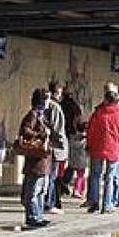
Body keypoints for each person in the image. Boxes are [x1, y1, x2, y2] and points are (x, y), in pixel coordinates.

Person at [86, 82, 119, 214]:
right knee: (110, 177)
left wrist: (89, 146)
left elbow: (90, 131)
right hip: (115, 149)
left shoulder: (98, 114)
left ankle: (94, 203)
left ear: (105, 100)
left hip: (97, 148)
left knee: (95, 176)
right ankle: (107, 205)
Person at [18, 89, 53, 229]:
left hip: (42, 159)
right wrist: (42, 134)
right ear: (42, 100)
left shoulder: (41, 115)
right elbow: (24, 131)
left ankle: (38, 215)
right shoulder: (33, 115)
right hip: (36, 159)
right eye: (47, 99)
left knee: (39, 190)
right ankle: (33, 217)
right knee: (33, 189)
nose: (49, 102)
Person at [44, 81, 68, 215]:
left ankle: (45, 202)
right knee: (53, 177)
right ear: (54, 93)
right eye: (59, 93)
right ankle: (49, 203)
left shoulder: (45, 105)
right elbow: (58, 129)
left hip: (46, 147)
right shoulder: (55, 107)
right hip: (55, 148)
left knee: (47, 176)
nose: (61, 96)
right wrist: (63, 147)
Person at [60, 89, 87, 198]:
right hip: (72, 136)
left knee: (68, 166)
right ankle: (78, 190)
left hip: (66, 137)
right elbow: (77, 118)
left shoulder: (60, 105)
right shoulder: (75, 107)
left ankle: (63, 183)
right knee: (81, 173)